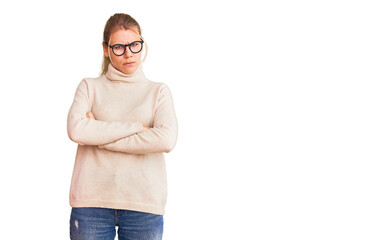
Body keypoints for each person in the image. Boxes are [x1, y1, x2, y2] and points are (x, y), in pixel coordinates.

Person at [67, 13, 178, 240]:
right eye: (119, 47)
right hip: (91, 204)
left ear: (142, 44)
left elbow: (166, 140)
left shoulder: (158, 92)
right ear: (106, 49)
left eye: (134, 45)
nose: (128, 53)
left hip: (144, 205)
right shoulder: (89, 87)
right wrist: (139, 127)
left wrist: (99, 134)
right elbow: (76, 130)